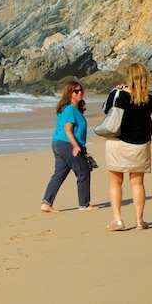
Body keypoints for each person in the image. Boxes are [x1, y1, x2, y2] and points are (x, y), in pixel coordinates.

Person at [103, 63, 152, 231]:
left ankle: (117, 219)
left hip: (118, 142)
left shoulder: (118, 94)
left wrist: (118, 90)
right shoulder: (149, 97)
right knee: (137, 183)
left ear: (128, 77)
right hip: (141, 144)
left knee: (116, 181)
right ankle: (139, 220)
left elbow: (105, 109)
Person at [40, 81, 99, 213]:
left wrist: (83, 148)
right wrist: (75, 146)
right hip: (66, 144)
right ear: (69, 94)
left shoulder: (75, 109)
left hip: (60, 144)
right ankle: (84, 205)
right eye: (76, 91)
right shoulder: (69, 109)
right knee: (83, 172)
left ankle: (46, 203)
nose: (79, 93)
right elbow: (68, 130)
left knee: (59, 174)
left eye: (81, 90)